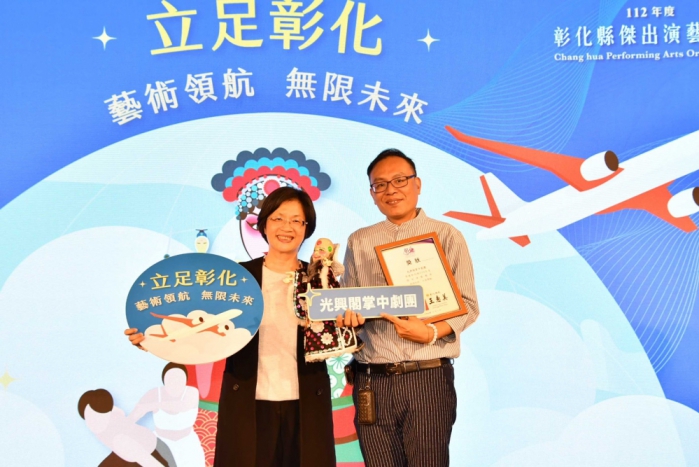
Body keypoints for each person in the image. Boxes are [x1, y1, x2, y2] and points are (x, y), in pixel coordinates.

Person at [126, 187, 336, 467]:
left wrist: (352, 323)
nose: (287, 227)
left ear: (307, 228)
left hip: (306, 402)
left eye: (297, 220)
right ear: (264, 224)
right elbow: (199, 325)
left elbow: (337, 333)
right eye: (278, 218)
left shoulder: (320, 279)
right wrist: (152, 338)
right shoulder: (236, 278)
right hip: (248, 401)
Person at [337, 149, 480, 467]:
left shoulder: (446, 235)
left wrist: (431, 333)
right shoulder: (359, 241)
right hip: (372, 379)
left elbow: (468, 305)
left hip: (426, 376)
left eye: (399, 180)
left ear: (417, 184)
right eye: (380, 184)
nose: (391, 190)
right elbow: (351, 303)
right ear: (372, 194)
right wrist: (350, 319)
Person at [128, 363, 206, 467]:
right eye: (171, 379)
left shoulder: (191, 392)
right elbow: (135, 415)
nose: (175, 382)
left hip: (187, 444)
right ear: (164, 380)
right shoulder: (154, 393)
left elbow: (182, 406)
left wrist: (153, 405)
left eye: (179, 379)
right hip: (161, 444)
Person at [78, 388, 174, 467]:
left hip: (154, 454)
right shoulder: (111, 416)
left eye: (97, 417)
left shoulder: (120, 440)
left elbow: (152, 463)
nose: (93, 423)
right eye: (88, 418)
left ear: (107, 414)